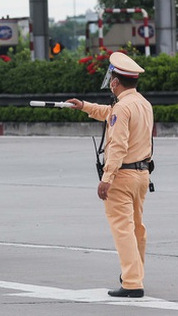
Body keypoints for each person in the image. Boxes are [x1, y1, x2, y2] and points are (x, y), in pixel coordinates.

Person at [66, 52, 154, 299]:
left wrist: (107, 178)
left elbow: (117, 146)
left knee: (122, 229)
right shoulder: (142, 103)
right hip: (142, 174)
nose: (110, 82)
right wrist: (84, 106)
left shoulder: (123, 107)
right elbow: (109, 113)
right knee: (137, 228)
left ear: (115, 81)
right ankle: (135, 273)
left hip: (123, 176)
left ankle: (132, 282)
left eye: (111, 78)